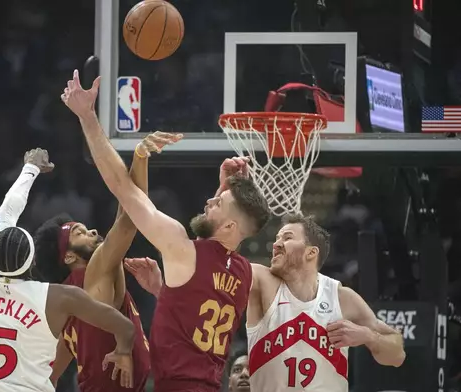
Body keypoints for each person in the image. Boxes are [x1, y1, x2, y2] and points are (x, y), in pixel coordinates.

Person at [62, 70, 271, 392]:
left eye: (217, 201)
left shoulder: (181, 249)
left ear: (230, 225)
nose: (208, 200)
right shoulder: (243, 274)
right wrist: (227, 189)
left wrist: (87, 116)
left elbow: (122, 188)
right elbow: (217, 252)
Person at [0, 148, 136, 392]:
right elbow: (126, 328)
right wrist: (123, 351)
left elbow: (7, 212)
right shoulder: (57, 297)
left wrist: (30, 168)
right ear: (32, 263)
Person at [35, 132, 178, 392]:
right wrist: (140, 157)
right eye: (79, 232)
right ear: (68, 257)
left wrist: (139, 158)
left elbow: (49, 374)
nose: (91, 232)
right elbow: (132, 217)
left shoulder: (68, 301)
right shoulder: (94, 270)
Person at [244, 213, 405, 391]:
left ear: (311, 252)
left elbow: (398, 356)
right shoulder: (261, 281)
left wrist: (368, 336)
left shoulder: (341, 297)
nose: (276, 244)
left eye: (287, 237)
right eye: (276, 239)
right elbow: (219, 267)